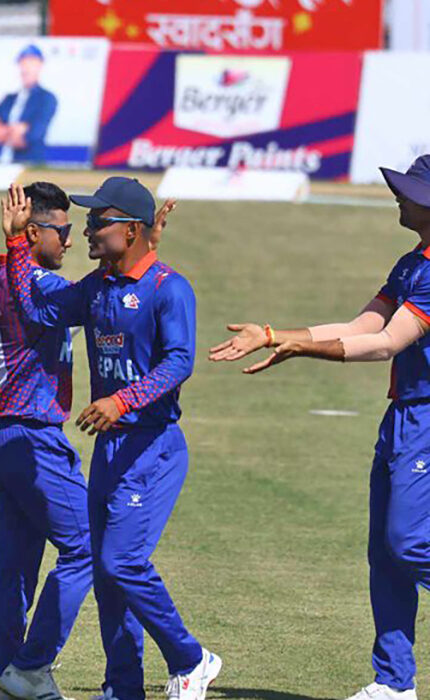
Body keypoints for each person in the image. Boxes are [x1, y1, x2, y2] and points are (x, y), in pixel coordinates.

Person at [208, 155, 430, 700]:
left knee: (407, 543)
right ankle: (394, 683)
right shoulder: (411, 264)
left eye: (409, 192)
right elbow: (360, 325)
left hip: (427, 418)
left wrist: (302, 348)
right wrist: (274, 334)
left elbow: (385, 344)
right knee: (385, 554)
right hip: (402, 417)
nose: (398, 198)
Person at [5, 176, 220, 700]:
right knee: (108, 580)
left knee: (121, 562)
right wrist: (16, 243)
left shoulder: (170, 288)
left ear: (130, 230)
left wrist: (122, 400)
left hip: (153, 446)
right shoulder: (98, 286)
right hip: (111, 449)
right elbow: (39, 310)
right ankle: (122, 689)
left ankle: (191, 659)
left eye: (97, 222)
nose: (86, 230)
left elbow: (179, 362)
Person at [0, 182, 89, 700]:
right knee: (88, 547)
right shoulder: (41, 284)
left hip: (5, 436)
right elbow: (91, 299)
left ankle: (7, 677)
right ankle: (30, 666)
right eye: (61, 231)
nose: (69, 240)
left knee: (14, 566)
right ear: (31, 232)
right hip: (34, 438)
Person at [0, 45, 58, 165]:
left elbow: (30, 137)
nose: (26, 68)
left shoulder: (46, 98)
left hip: (29, 165)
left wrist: (2, 131)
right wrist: (14, 130)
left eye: (31, 63)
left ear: (40, 65)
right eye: (23, 63)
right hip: (0, 164)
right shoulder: (9, 99)